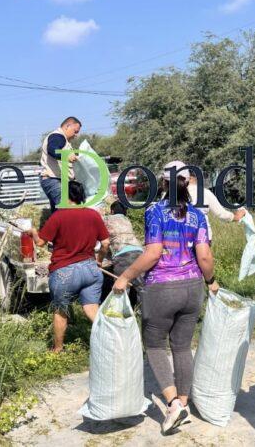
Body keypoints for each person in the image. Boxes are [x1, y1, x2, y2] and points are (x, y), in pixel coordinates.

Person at [113, 160, 217, 436]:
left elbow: (153, 252)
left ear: (163, 183)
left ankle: (172, 404)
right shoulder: (197, 215)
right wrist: (212, 281)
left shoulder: (155, 211)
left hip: (162, 286)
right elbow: (204, 255)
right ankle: (183, 403)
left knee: (156, 344)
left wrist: (125, 277)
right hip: (193, 286)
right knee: (182, 346)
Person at [30, 180, 110, 352]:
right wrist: (99, 261)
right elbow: (105, 243)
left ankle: (58, 350)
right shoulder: (93, 215)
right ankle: (112, 342)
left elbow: (41, 243)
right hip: (90, 269)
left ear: (66, 196)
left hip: (65, 271)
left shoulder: (58, 216)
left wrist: (33, 232)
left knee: (61, 310)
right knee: (91, 308)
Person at [100, 200, 145, 306]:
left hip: (123, 255)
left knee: (121, 289)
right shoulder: (126, 220)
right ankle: (143, 315)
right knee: (141, 287)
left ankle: (121, 316)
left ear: (111, 211)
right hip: (139, 252)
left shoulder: (107, 219)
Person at [187, 173, 246, 243]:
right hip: (202, 237)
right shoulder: (204, 192)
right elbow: (221, 214)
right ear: (191, 178)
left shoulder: (175, 194)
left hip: (180, 237)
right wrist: (237, 216)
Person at [40, 117, 81, 212]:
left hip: (56, 181)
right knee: (67, 211)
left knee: (58, 214)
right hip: (54, 180)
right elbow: (52, 150)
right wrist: (66, 156)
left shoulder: (63, 141)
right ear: (67, 126)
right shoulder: (58, 137)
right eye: (75, 131)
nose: (76, 135)